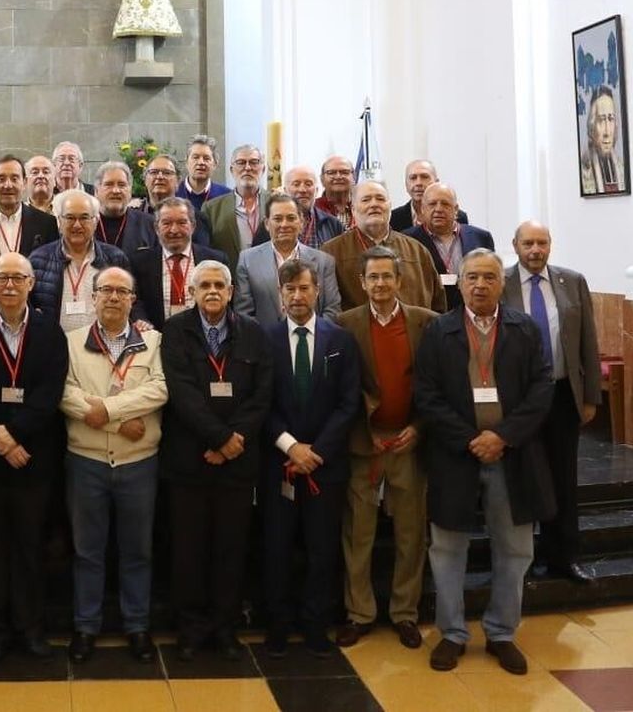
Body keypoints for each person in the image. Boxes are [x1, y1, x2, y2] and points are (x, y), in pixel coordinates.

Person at [416, 249, 555, 676]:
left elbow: (542, 388)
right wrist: (469, 439)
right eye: (472, 277)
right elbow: (426, 394)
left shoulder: (524, 329)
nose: (480, 285)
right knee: (447, 547)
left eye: (489, 277)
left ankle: (501, 632)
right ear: (460, 284)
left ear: (502, 284)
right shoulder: (438, 331)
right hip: (455, 454)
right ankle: (452, 633)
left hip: (512, 454)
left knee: (515, 547)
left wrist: (503, 435)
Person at [160, 260, 270, 661]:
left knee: (230, 549)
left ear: (230, 292)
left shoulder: (253, 333)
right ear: (191, 292)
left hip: (237, 463)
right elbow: (182, 393)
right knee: (188, 551)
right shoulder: (175, 331)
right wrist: (220, 438)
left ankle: (225, 628)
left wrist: (232, 440)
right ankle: (191, 629)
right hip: (189, 461)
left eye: (218, 285)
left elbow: (261, 395)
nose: (211, 291)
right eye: (203, 285)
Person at [0, 252, 67, 665]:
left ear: (30, 284)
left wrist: (17, 434)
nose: (8, 285)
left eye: (17, 278)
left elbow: (50, 392)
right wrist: (1, 438)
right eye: (1, 278)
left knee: (29, 547)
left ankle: (30, 628)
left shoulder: (50, 331)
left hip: (33, 457)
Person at [60, 267, 167, 664]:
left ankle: (137, 625)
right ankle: (86, 627)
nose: (113, 297)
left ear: (132, 299)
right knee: (87, 551)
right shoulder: (71, 342)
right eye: (106, 290)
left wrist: (107, 411)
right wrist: (118, 421)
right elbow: (64, 392)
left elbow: (160, 388)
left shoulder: (153, 342)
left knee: (137, 549)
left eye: (122, 291)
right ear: (93, 297)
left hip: (138, 463)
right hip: (86, 461)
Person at [260, 259, 361, 658]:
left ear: (317, 291)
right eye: (290, 290)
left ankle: (316, 625)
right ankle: (278, 625)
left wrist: (316, 451)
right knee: (277, 549)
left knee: (322, 549)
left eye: (304, 288)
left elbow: (349, 403)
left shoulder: (341, 341)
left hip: (325, 463)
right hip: (279, 464)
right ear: (280, 295)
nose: (298, 296)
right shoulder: (264, 339)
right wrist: (290, 446)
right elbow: (260, 403)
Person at [336, 247, 436, 650]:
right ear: (362, 283)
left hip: (409, 442)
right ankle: (359, 613)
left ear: (400, 280)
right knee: (358, 533)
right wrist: (365, 429)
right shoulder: (344, 325)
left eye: (387, 276)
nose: (380, 284)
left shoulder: (426, 323)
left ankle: (405, 612)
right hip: (365, 444)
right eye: (373, 277)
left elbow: (437, 385)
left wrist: (419, 428)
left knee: (411, 533)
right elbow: (341, 388)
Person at [504, 221, 600, 584]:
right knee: (525, 477)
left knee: (564, 478)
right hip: (519, 400)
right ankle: (524, 560)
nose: (535, 250)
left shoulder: (572, 281)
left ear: (550, 245)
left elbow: (588, 341)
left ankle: (564, 556)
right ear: (515, 245)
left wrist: (590, 396)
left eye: (541, 243)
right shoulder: (501, 283)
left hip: (561, 394)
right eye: (528, 243)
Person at [322, 180, 446, 313]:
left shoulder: (417, 251)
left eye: (380, 199)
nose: (374, 204)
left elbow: (438, 305)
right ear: (353, 209)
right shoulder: (332, 252)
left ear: (390, 206)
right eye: (366, 200)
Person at [29, 189, 131, 332]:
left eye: (84, 218)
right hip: (55, 343)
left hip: (103, 343)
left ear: (95, 222)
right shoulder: (38, 260)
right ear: (59, 221)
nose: (77, 225)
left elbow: (130, 302)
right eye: (70, 218)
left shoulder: (115, 259)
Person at [235, 192, 342, 329]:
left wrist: (311, 335)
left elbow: (332, 309)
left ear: (301, 222)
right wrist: (266, 338)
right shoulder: (247, 260)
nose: (284, 224)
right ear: (267, 223)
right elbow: (243, 313)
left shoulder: (324, 261)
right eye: (278, 219)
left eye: (291, 218)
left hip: (314, 338)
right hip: (262, 340)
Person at [128, 197, 227, 330]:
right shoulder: (139, 262)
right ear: (156, 228)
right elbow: (135, 301)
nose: (174, 230)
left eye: (182, 223)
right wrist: (142, 321)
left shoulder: (215, 260)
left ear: (193, 226)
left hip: (205, 336)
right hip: (157, 335)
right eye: (167, 223)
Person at [404, 182, 495, 309]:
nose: (438, 209)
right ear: (423, 209)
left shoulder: (480, 237)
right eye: (432, 204)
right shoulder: (407, 240)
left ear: (456, 209)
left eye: (445, 204)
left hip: (471, 310)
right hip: (428, 312)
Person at [0, 155, 59, 256]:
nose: (8, 185)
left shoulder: (46, 224)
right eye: (1, 179)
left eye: (14, 179)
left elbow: (54, 263)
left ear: (24, 183)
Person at [199, 144, 269, 265]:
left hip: (268, 274)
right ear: (232, 170)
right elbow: (206, 250)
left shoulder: (276, 203)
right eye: (241, 162)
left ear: (263, 169)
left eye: (254, 162)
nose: (247, 168)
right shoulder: (212, 208)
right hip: (229, 273)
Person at [93, 160, 159, 253]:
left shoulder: (150, 225)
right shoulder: (83, 224)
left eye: (122, 185)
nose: (116, 191)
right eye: (109, 184)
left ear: (130, 191)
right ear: (96, 191)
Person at [389, 159, 469, 233]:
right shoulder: (393, 218)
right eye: (413, 178)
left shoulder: (458, 216)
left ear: (436, 182)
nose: (418, 183)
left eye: (424, 177)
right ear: (406, 185)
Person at [580, 85, 627, 194]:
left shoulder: (623, 170)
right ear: (592, 127)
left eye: (611, 119)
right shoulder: (582, 170)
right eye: (601, 120)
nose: (607, 132)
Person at [283, 166, 345, 248]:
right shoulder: (272, 223)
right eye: (296, 184)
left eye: (308, 184)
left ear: (316, 191)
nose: (302, 190)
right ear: (285, 191)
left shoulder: (332, 224)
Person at [175, 134, 231, 214]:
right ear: (186, 162)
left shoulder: (226, 196)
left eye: (206, 158)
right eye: (195, 157)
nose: (201, 162)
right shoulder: (174, 193)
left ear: (215, 164)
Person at [317, 155, 355, 230]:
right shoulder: (314, 210)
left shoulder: (363, 207)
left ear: (354, 177)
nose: (338, 177)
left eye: (344, 172)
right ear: (322, 179)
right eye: (331, 173)